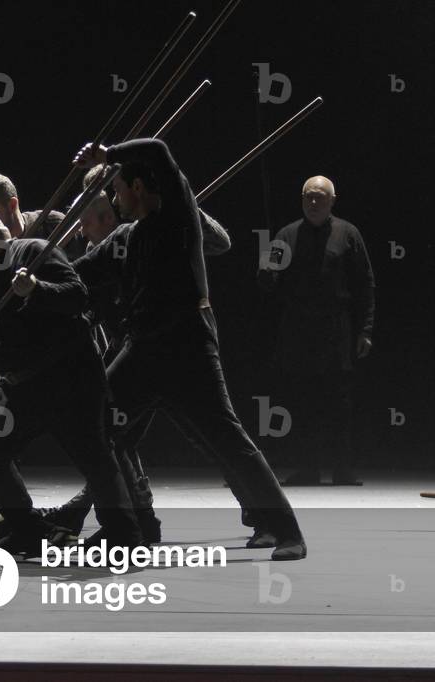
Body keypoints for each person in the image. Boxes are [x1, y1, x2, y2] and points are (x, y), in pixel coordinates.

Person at [72, 138, 307, 560]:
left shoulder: (177, 213)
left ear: (139, 187)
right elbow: (78, 275)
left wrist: (108, 154)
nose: (114, 198)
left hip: (188, 348)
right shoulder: (126, 236)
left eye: (118, 189)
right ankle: (122, 529)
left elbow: (160, 149)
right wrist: (28, 282)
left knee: (227, 438)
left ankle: (287, 530)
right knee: (94, 423)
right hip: (143, 351)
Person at [0, 208, 143, 555]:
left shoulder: (32, 251)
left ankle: (123, 535)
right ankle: (27, 530)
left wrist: (36, 288)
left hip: (67, 378)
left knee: (93, 454)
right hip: (21, 388)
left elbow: (76, 295)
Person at [258, 176, 374, 486]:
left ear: (332, 200)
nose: (313, 202)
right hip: (297, 333)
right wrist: (267, 273)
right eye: (308, 197)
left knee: (339, 403)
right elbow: (266, 280)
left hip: (337, 331)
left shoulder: (348, 234)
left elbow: (365, 285)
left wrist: (365, 329)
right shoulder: (286, 234)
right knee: (302, 401)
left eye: (320, 197)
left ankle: (341, 469)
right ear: (301, 199)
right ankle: (306, 467)